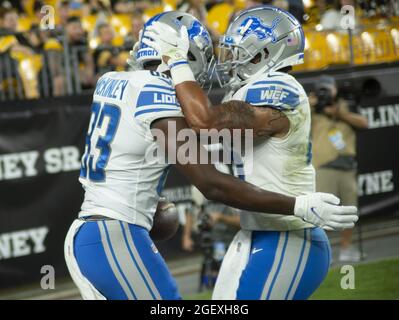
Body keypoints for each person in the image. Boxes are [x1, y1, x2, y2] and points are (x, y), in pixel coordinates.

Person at [64, 11, 357, 300]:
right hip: (117, 232)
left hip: (287, 236)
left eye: (239, 51)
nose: (228, 60)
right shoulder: (157, 90)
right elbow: (208, 176)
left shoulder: (112, 80)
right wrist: (299, 204)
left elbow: (201, 125)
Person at [310, 75, 368, 262]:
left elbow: (364, 123)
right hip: (324, 166)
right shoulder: (310, 107)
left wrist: (339, 113)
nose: (325, 92)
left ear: (335, 89)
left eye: (328, 88)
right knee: (321, 213)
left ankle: (345, 249)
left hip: (347, 166)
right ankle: (320, 254)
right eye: (322, 89)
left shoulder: (345, 105)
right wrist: (308, 104)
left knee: (350, 211)